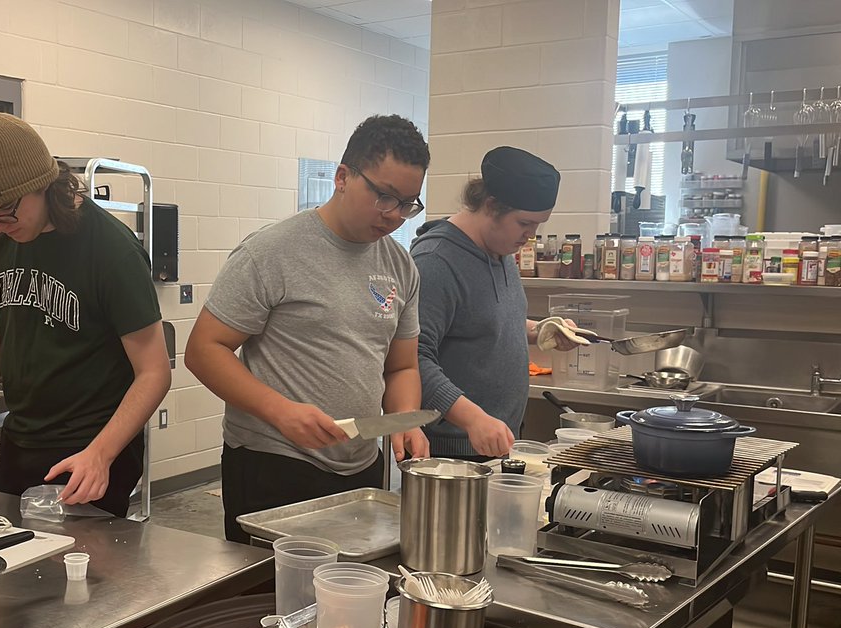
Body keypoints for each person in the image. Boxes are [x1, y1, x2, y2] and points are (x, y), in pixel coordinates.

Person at [185, 114, 432, 544]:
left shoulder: (399, 265)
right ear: (342, 177)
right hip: (275, 463)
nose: (395, 216)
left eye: (409, 203)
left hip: (361, 465)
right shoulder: (271, 252)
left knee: (349, 602)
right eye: (385, 197)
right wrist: (282, 411)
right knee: (268, 602)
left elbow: (401, 367)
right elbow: (205, 350)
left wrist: (405, 419)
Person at [0, 112, 170, 518]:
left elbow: (154, 372)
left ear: (42, 186)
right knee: (3, 563)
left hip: (92, 447)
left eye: (4, 213)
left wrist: (100, 454)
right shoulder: (0, 235)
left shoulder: (111, 250)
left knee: (78, 576)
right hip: (22, 437)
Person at [411, 146, 579, 460]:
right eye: (525, 224)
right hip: (451, 455)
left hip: (497, 443)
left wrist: (541, 330)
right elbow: (412, 360)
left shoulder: (500, 251)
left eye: (538, 226)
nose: (531, 236)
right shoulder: (436, 262)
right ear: (491, 206)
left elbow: (484, 322)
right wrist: (472, 419)